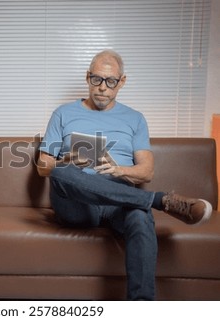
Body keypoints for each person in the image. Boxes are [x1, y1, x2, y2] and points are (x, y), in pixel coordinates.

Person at [36, 49, 212, 300]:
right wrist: (65, 160)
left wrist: (118, 169)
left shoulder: (135, 119)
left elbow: (147, 172)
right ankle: (160, 201)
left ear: (122, 82)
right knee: (61, 172)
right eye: (97, 79)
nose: (102, 88)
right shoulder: (63, 114)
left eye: (111, 81)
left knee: (140, 218)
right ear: (88, 77)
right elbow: (43, 166)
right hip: (77, 201)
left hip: (119, 199)